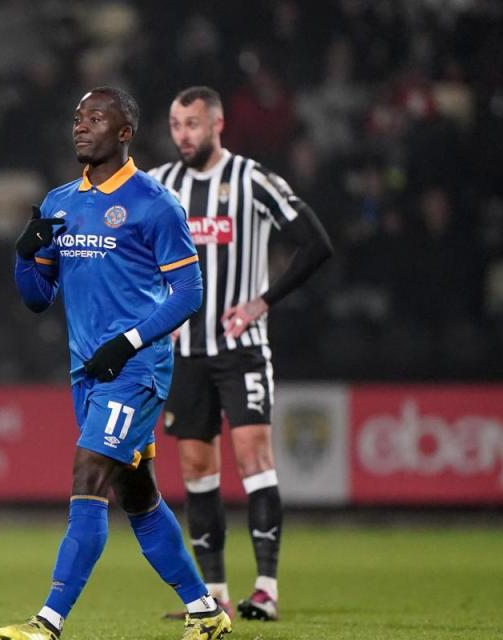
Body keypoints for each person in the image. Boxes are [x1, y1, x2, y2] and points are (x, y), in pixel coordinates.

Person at [0, 87, 233, 640]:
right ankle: (205, 610)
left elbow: (187, 293)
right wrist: (24, 255)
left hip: (136, 369)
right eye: (77, 116)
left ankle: (48, 623)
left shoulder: (154, 203)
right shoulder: (59, 201)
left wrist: (128, 341)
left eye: (96, 117)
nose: (81, 126)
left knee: (88, 475)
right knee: (140, 497)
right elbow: (37, 297)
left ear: (125, 131)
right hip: (87, 371)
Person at [148, 86, 333, 622]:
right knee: (197, 468)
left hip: (241, 349)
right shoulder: (162, 185)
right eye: (176, 125)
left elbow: (316, 242)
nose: (183, 135)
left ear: (218, 124)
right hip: (185, 352)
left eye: (192, 124)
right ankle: (214, 597)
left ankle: (267, 590)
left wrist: (263, 301)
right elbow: (135, 257)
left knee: (254, 457)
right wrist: (162, 312)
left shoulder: (252, 180)